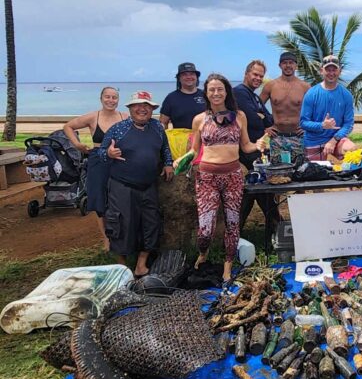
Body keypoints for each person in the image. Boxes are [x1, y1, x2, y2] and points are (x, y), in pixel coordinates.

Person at [173, 73, 263, 282]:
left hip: (233, 175)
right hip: (207, 177)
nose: (215, 93)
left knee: (233, 223)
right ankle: (203, 253)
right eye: (211, 89)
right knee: (205, 228)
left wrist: (257, 145)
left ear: (226, 92)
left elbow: (246, 146)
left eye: (219, 89)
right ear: (206, 93)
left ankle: (228, 264)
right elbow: (195, 151)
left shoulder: (239, 116)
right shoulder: (199, 119)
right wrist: (181, 160)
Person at [98, 91, 174, 277]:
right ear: (130, 108)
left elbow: (165, 148)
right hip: (122, 185)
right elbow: (100, 153)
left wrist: (168, 163)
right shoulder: (118, 129)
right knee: (122, 225)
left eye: (147, 106)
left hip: (149, 185)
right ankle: (123, 268)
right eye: (138, 105)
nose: (142, 109)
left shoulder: (157, 127)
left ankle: (141, 264)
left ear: (152, 109)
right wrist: (108, 154)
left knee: (151, 223)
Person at [63, 87, 127, 251]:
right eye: (107, 97)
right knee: (99, 198)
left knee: (121, 197)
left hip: (120, 161)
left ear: (118, 100)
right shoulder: (93, 117)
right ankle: (106, 238)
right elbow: (68, 126)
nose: (111, 100)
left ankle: (123, 234)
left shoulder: (125, 117)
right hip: (98, 160)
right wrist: (77, 144)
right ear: (101, 98)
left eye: (114, 97)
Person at [232, 60, 279, 237]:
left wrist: (262, 118)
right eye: (255, 74)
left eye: (261, 76)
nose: (258, 78)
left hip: (257, 150)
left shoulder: (254, 96)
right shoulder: (239, 93)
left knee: (260, 191)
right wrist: (260, 118)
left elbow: (268, 119)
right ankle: (276, 226)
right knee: (257, 190)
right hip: (245, 150)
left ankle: (274, 227)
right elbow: (252, 119)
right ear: (246, 73)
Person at [299, 54, 357, 160]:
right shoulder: (311, 93)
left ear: (340, 71)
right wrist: (322, 125)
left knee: (351, 149)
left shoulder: (346, 95)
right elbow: (303, 122)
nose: (331, 73)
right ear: (322, 71)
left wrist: (333, 140)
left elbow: (349, 124)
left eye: (334, 70)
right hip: (313, 140)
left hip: (336, 138)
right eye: (328, 70)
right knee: (314, 172)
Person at [259, 52, 310, 164]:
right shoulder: (271, 86)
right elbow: (256, 107)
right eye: (284, 63)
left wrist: (307, 128)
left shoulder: (305, 87)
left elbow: (316, 110)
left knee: (299, 171)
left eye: (291, 63)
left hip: (298, 137)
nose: (288, 66)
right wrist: (265, 127)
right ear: (279, 65)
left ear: (296, 65)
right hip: (277, 137)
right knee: (278, 172)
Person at [160, 62, 206, 129]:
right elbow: (163, 123)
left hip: (204, 137)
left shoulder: (206, 95)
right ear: (179, 78)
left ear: (196, 77)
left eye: (192, 74)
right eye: (184, 74)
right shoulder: (171, 98)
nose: (189, 77)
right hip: (180, 138)